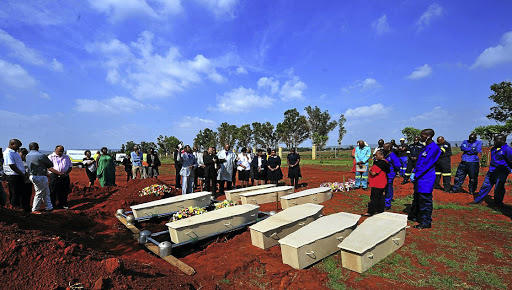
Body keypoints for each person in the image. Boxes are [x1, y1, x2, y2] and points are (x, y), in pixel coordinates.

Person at [408, 129, 441, 229]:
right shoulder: (425, 147)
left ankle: (426, 222)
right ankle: (416, 216)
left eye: (422, 136)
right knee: (418, 198)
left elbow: (427, 164)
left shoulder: (433, 148)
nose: (420, 137)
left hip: (426, 178)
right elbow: (420, 162)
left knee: (425, 201)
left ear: (429, 136)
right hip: (420, 177)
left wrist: (417, 174)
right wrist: (414, 172)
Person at [470, 135, 512, 206]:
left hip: (502, 172)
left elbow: (510, 161)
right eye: (494, 140)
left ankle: (498, 203)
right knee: (485, 185)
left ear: (503, 140)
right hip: (492, 171)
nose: (494, 141)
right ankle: (478, 200)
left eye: (496, 140)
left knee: (499, 187)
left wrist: (508, 170)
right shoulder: (493, 149)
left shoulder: (508, 150)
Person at [26, 142, 56, 213]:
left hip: (32, 175)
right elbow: (50, 164)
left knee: (46, 192)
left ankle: (49, 207)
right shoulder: (41, 155)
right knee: (39, 192)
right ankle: (35, 209)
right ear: (38, 147)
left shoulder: (27, 155)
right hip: (40, 176)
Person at [364, 150, 390, 216]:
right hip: (383, 182)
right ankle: (380, 210)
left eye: (377, 155)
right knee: (380, 197)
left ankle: (371, 211)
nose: (375, 156)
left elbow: (373, 173)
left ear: (382, 155)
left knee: (374, 198)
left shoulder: (379, 164)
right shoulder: (386, 162)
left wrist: (369, 170)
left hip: (377, 183)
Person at [3, 139, 26, 210]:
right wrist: (21, 174)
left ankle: (17, 206)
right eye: (17, 146)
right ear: (12, 144)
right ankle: (14, 207)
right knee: (14, 192)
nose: (18, 148)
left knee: (19, 192)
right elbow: (11, 165)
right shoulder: (8, 152)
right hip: (13, 175)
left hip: (18, 175)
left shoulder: (15, 152)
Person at [48, 145, 73, 209]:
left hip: (65, 176)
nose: (61, 152)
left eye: (62, 151)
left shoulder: (66, 157)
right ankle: (53, 205)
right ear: (55, 150)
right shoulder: (50, 157)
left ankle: (62, 204)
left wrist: (66, 173)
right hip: (54, 176)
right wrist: (59, 173)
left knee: (64, 190)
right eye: (59, 151)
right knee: (53, 190)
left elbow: (70, 166)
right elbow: (49, 167)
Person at [383, 143, 401, 210]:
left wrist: (395, 172)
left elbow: (397, 165)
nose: (383, 148)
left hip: (390, 174)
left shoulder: (393, 156)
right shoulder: (385, 155)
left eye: (385, 147)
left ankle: (387, 203)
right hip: (384, 174)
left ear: (389, 148)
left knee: (388, 188)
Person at [18, 148, 33, 212]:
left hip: (28, 180)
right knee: (21, 194)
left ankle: (27, 207)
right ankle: (21, 207)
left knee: (28, 194)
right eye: (22, 155)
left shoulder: (29, 162)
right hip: (20, 180)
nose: (23, 156)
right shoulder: (18, 162)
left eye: (24, 155)